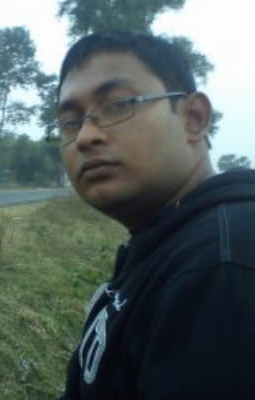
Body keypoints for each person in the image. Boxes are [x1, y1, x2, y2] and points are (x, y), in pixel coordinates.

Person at [48, 30, 255, 399]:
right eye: (71, 121)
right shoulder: (169, 243)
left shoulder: (222, 267)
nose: (85, 137)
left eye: (118, 105)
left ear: (193, 118)